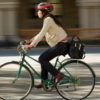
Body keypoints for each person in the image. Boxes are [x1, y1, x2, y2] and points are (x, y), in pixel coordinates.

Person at [24, 2, 70, 88]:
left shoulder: (48, 20)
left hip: (61, 45)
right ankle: (44, 81)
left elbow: (41, 34)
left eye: (39, 11)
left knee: (42, 58)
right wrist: (30, 41)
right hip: (60, 45)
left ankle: (58, 75)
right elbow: (41, 34)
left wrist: (32, 45)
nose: (37, 12)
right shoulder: (47, 19)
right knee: (43, 59)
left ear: (43, 12)